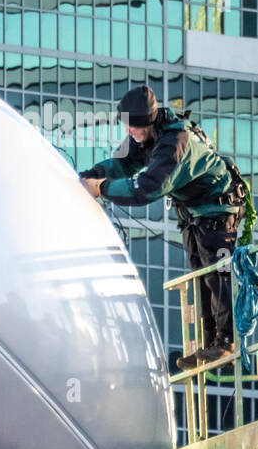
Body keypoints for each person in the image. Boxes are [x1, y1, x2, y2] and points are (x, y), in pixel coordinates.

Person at [80, 86, 247, 369]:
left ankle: (228, 343)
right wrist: (92, 175)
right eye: (126, 125)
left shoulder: (175, 141)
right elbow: (124, 163)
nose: (129, 131)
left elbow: (146, 188)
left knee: (217, 272)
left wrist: (103, 188)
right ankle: (211, 344)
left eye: (133, 125)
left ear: (147, 120)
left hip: (219, 207)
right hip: (194, 212)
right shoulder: (146, 135)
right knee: (201, 273)